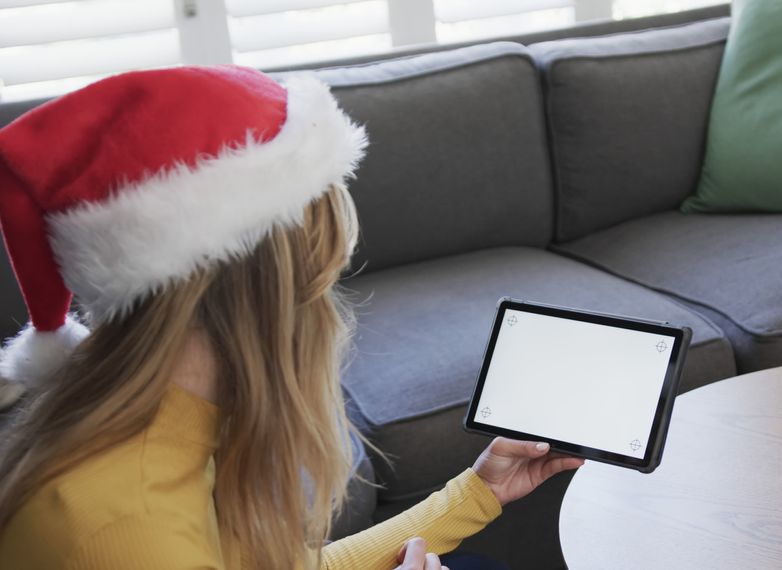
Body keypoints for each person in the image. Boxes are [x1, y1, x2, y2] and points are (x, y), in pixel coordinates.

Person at [0, 65, 583, 569]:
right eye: (323, 279)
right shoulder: (124, 528)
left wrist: (479, 491)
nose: (328, 312)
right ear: (266, 297)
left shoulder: (167, 422)